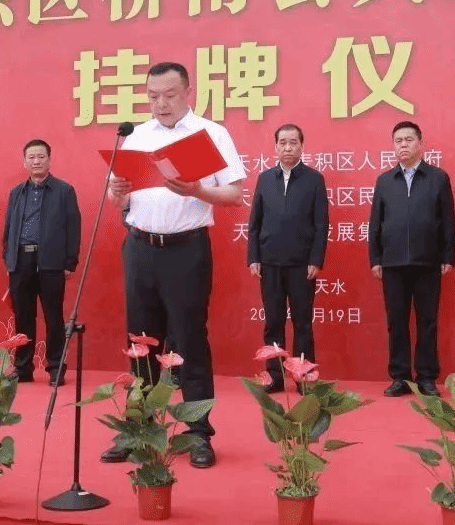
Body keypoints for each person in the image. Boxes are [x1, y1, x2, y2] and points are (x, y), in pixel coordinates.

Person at [104, 61, 246, 468]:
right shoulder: (136, 136)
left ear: (187, 93)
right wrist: (117, 191)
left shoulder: (210, 133)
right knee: (140, 341)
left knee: (190, 340)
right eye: (153, 96)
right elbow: (120, 201)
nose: (160, 104)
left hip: (187, 251)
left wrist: (197, 189)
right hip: (140, 247)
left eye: (169, 95)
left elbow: (234, 195)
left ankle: (198, 433)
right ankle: (138, 428)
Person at [369, 121, 455, 398]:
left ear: (420, 144)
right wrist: (375, 258)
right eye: (398, 140)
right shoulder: (385, 181)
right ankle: (400, 377)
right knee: (396, 322)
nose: (403, 145)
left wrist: (448, 255)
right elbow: (375, 224)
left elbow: (447, 220)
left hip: (427, 262)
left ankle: (427, 377)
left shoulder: (437, 178)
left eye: (408, 139)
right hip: (392, 263)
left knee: (427, 322)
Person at [247, 124, 329, 393]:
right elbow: (255, 223)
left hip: (302, 264)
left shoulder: (314, 180)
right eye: (282, 143)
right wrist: (253, 257)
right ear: (275, 147)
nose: (288, 147)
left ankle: (304, 376)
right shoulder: (264, 179)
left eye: (293, 142)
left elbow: (321, 225)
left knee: (302, 323)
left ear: (302, 146)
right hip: (269, 262)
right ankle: (275, 375)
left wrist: (315, 259)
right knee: (273, 322)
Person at [2, 139, 81, 387]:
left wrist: (70, 261)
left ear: (49, 160)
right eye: (31, 157)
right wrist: (9, 258)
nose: (36, 161)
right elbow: (8, 228)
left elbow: (73, 228)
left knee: (53, 317)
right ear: (24, 162)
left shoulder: (64, 191)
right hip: (21, 260)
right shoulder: (17, 192)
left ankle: (56, 367)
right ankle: (23, 367)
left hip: (51, 261)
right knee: (23, 317)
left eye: (41, 157)